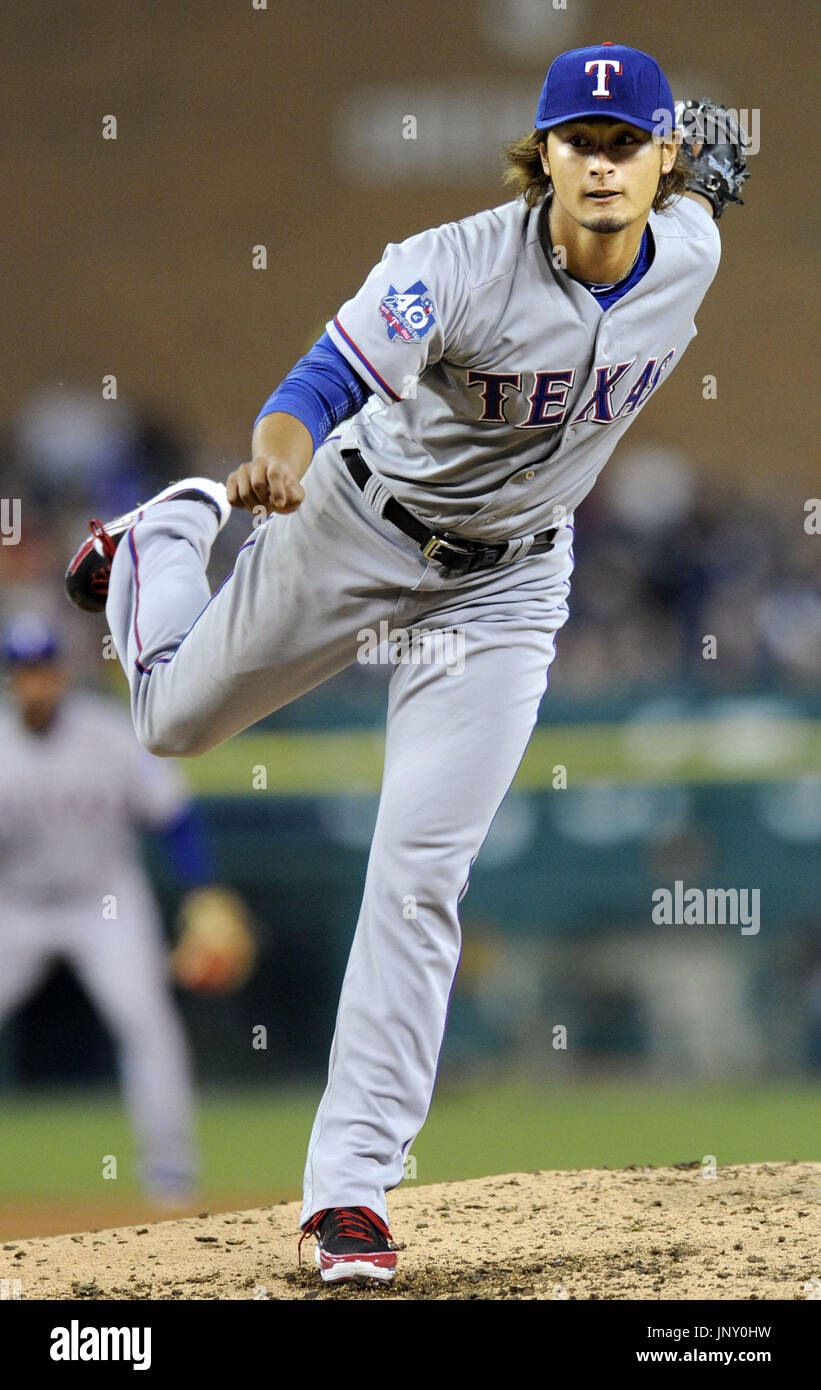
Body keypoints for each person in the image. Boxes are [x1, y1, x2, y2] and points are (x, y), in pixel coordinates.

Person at [65, 44, 748, 1281]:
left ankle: (349, 1195)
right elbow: (314, 383)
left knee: (421, 866)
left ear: (661, 161)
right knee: (167, 723)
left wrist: (700, 156)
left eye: (622, 141)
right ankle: (167, 532)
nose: (597, 161)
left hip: (508, 583)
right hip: (351, 524)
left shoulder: (690, 246)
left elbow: (709, 180)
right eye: (574, 139)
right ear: (538, 154)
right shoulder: (449, 267)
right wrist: (275, 451)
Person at [0, 615, 251, 1204]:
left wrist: (204, 890)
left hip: (104, 904)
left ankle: (170, 1176)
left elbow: (176, 817)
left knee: (147, 1025)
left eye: (43, 669)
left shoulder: (110, 733)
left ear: (60, 673)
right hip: (17, 907)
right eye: (23, 672)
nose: (36, 683)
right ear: (11, 680)